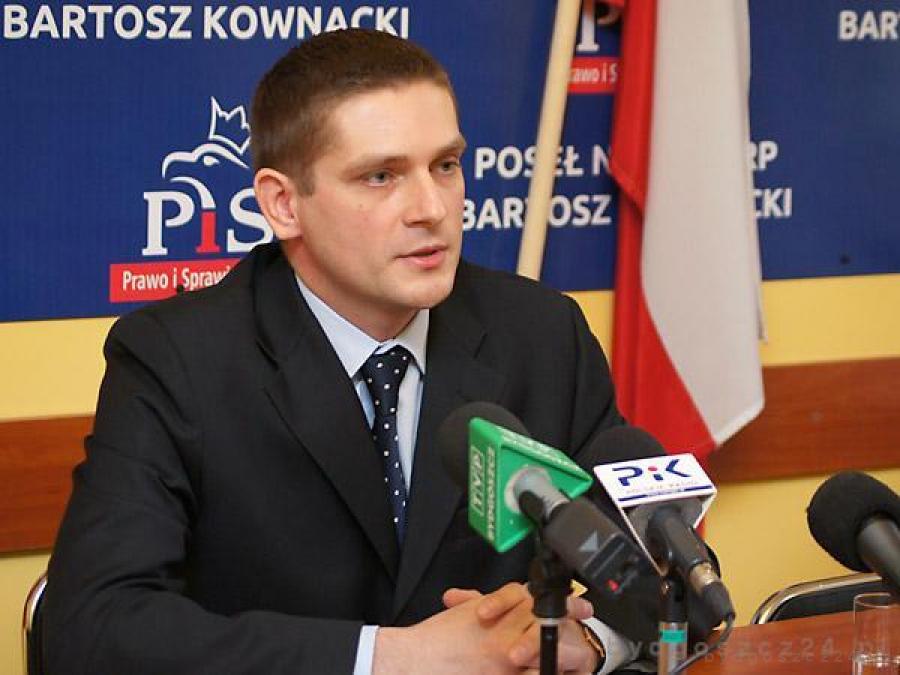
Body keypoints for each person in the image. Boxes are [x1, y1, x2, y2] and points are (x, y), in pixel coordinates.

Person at [43, 28, 638, 674]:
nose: (432, 208)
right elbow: (91, 628)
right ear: (283, 204)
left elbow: (676, 574)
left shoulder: (541, 334)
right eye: (381, 176)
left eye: (445, 165)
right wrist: (392, 657)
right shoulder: (177, 359)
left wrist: (592, 641)